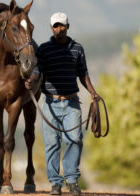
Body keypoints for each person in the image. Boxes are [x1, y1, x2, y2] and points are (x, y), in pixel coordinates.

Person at [25, 12, 100, 195]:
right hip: (50, 104)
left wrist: (93, 92)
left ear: (68, 26)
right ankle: (55, 184)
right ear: (51, 28)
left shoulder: (77, 48)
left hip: (72, 103)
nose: (59, 29)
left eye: (62, 25)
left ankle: (72, 180)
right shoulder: (43, 49)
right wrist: (32, 80)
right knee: (52, 144)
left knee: (75, 139)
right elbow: (37, 70)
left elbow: (83, 73)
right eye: (56, 25)